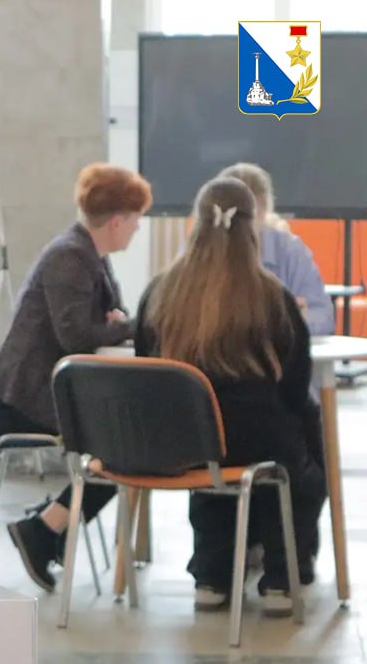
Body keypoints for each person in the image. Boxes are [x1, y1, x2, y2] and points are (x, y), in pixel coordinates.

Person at [134, 175, 324, 617]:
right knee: (299, 445)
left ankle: (211, 576)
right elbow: (295, 386)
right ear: (253, 227)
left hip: (182, 443)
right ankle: (283, 576)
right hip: (258, 442)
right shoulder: (272, 296)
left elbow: (146, 370)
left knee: (211, 449)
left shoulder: (159, 293)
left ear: (195, 222)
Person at [0, 163, 151, 592]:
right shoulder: (70, 257)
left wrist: (115, 323)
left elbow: (103, 321)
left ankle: (48, 525)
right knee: (124, 454)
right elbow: (76, 335)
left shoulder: (88, 255)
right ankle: (43, 530)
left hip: (41, 393)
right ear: (117, 221)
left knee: (126, 448)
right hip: (22, 399)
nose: (137, 228)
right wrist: (131, 325)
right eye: (136, 220)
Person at [217, 162, 335, 336]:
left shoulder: (291, 252)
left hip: (279, 350)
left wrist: (297, 320)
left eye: (244, 214)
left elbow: (323, 317)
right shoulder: (198, 251)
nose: (236, 224)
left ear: (264, 210)